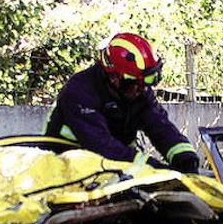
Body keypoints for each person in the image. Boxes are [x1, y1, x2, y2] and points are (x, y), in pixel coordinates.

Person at [46, 33, 200, 173]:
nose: (140, 90)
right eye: (133, 83)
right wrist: (154, 167)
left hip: (114, 168)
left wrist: (185, 158)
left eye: (145, 84)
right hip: (67, 168)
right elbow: (101, 146)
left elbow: (160, 127)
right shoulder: (80, 92)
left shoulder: (138, 91)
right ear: (114, 78)